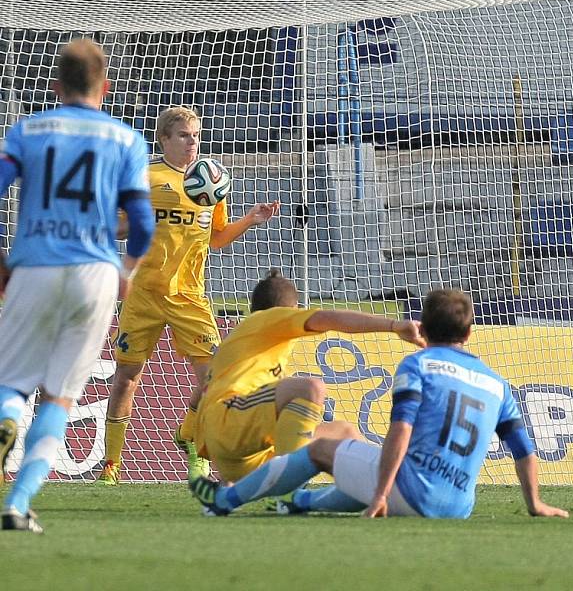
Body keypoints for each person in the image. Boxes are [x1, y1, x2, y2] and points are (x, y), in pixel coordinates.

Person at [190, 288, 568, 520]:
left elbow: (401, 429)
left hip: (409, 493)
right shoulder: (496, 382)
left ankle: (225, 500)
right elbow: (523, 448)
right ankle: (300, 502)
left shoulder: (418, 364)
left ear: (421, 326)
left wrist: (382, 495)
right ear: (470, 333)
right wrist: (534, 503)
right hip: (458, 506)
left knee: (323, 449)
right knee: (351, 441)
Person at [0, 39, 154, 532]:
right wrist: (125, 271)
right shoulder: (127, 140)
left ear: (56, 85)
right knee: (61, 396)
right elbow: (144, 224)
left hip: (35, 267)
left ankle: (6, 416)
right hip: (95, 275)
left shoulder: (28, 130)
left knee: (11, 384)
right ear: (105, 88)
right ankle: (18, 503)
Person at [97, 106, 280, 485]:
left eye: (195, 135)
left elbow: (216, 239)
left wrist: (250, 219)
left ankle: (193, 448)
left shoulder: (212, 182)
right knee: (126, 378)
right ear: (164, 139)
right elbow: (118, 228)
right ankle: (111, 465)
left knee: (212, 380)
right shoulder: (147, 177)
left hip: (190, 297)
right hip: (144, 294)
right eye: (183, 135)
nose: (191, 142)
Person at [191, 269, 426, 485]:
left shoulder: (249, 351)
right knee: (311, 388)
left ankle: (388, 487)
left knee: (343, 432)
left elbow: (199, 396)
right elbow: (331, 319)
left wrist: (190, 437)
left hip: (239, 460)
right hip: (229, 427)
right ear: (291, 309)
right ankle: (292, 488)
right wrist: (394, 326)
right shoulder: (269, 319)